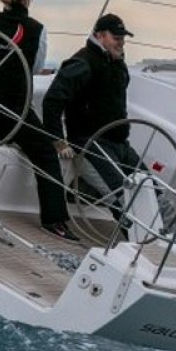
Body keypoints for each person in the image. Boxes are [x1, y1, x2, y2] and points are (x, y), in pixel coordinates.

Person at [0, 0, 76, 241]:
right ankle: (54, 220)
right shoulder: (37, 30)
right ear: (27, 0)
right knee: (46, 152)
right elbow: (35, 68)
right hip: (14, 110)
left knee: (28, 136)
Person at [42, 12, 142, 225]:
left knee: (151, 188)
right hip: (90, 142)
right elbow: (52, 101)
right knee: (123, 198)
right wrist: (58, 141)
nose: (121, 43)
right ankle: (143, 239)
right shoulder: (83, 62)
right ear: (100, 36)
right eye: (116, 38)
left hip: (120, 144)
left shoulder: (118, 65)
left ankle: (173, 238)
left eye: (123, 38)